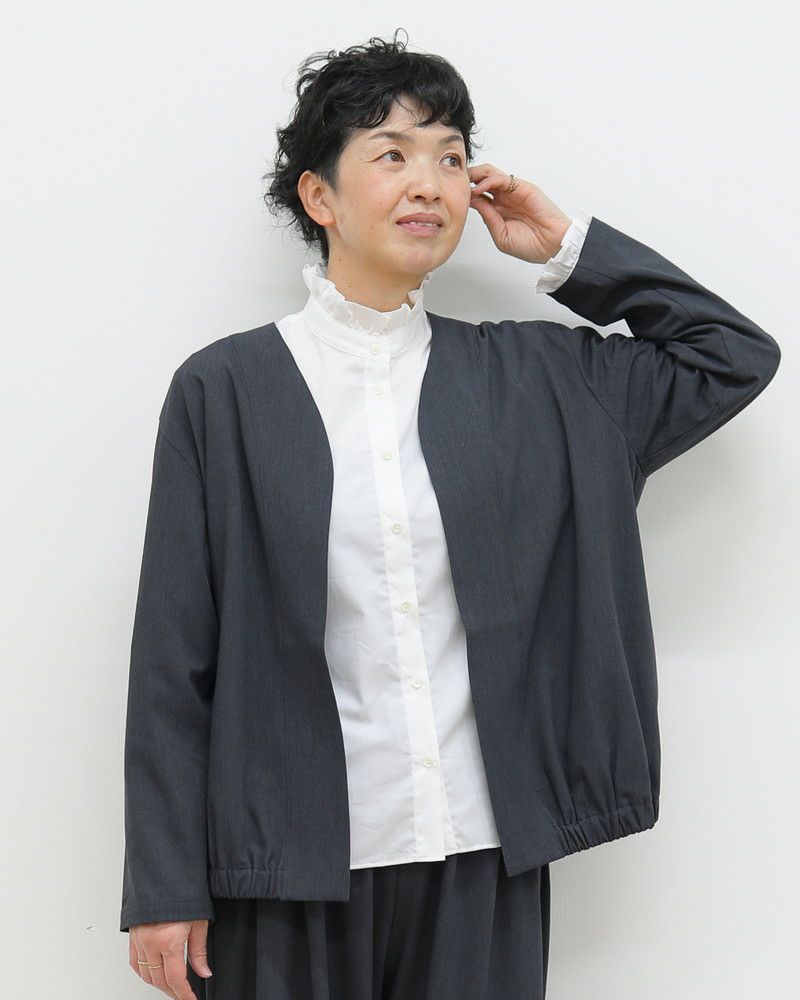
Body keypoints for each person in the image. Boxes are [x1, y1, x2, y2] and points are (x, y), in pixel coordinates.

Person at [119, 28, 781, 1000]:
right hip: (285, 868)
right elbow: (174, 659)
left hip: (477, 854)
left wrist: (566, 251)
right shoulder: (225, 391)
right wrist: (164, 883)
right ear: (318, 197)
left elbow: (729, 356)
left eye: (450, 157)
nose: (428, 183)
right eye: (391, 155)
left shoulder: (541, 381)